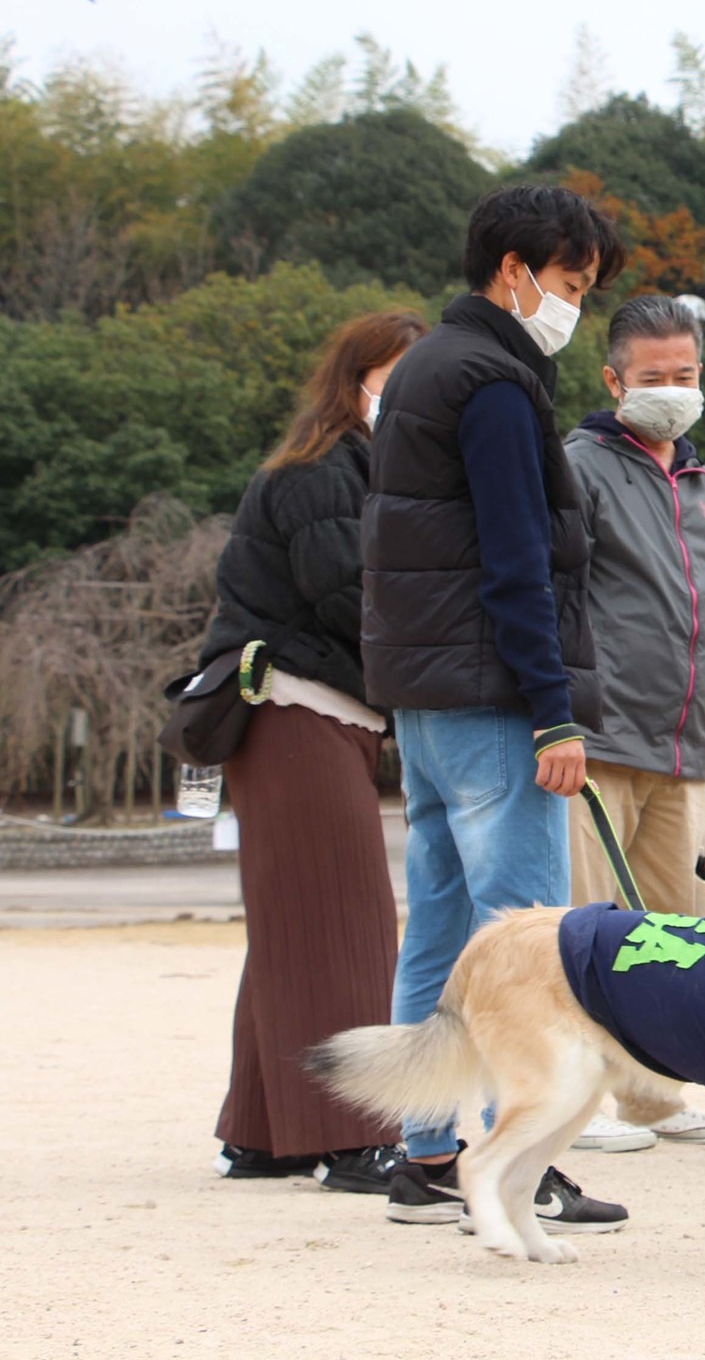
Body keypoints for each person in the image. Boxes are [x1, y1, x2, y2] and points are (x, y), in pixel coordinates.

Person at [360, 184, 629, 1233]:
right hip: (493, 693)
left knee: (437, 929)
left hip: (425, 696)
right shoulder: (496, 383)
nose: (574, 304)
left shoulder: (425, 367)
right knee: (526, 942)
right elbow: (517, 559)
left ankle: (427, 1153)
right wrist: (554, 710)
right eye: (568, 281)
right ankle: (521, 1163)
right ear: (512, 270)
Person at [201, 310, 426, 1194]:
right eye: (395, 376)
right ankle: (352, 1135)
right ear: (355, 377)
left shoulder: (357, 467)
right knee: (344, 923)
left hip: (314, 712)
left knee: (295, 925)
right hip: (296, 705)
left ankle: (264, 1131)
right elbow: (348, 595)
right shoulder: (321, 470)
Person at [562, 294, 705, 1150]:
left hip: (686, 752)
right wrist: (562, 711)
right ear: (614, 380)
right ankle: (573, 1101)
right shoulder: (578, 468)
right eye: (653, 376)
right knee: (581, 925)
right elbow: (558, 599)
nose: (672, 390)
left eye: (686, 374)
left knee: (685, 930)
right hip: (599, 742)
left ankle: (657, 1097)